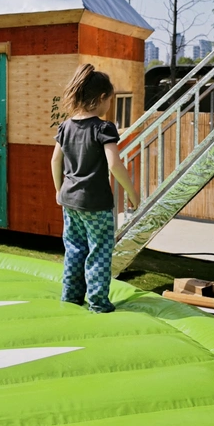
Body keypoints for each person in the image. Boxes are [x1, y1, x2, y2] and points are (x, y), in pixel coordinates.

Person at [51, 64, 140, 313]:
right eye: (109, 100)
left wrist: (59, 190)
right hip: (96, 203)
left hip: (70, 200)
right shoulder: (103, 128)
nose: (108, 106)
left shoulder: (65, 126)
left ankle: (70, 296)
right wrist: (132, 194)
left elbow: (55, 160)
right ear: (101, 98)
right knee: (99, 251)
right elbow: (114, 164)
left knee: (75, 249)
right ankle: (98, 302)